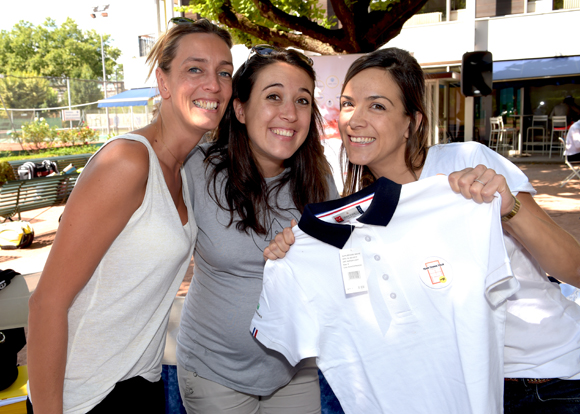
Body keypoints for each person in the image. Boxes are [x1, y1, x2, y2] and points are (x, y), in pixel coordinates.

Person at [266, 47, 580, 414]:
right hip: (463, 394)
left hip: (552, 380)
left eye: (377, 106)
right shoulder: (356, 213)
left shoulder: (464, 165)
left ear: (412, 122)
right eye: (348, 104)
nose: (355, 120)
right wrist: (293, 254)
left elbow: (573, 268)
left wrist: (509, 206)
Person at [26, 18, 234, 414]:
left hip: (140, 383)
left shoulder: (185, 169)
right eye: (195, 69)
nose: (213, 84)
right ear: (164, 82)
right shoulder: (127, 161)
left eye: (224, 72)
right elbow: (46, 303)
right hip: (82, 396)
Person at [175, 45, 338, 414]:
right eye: (273, 96)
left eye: (302, 100)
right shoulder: (197, 169)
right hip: (215, 372)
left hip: (294, 368)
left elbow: (337, 269)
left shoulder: (319, 178)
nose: (290, 113)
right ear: (241, 109)